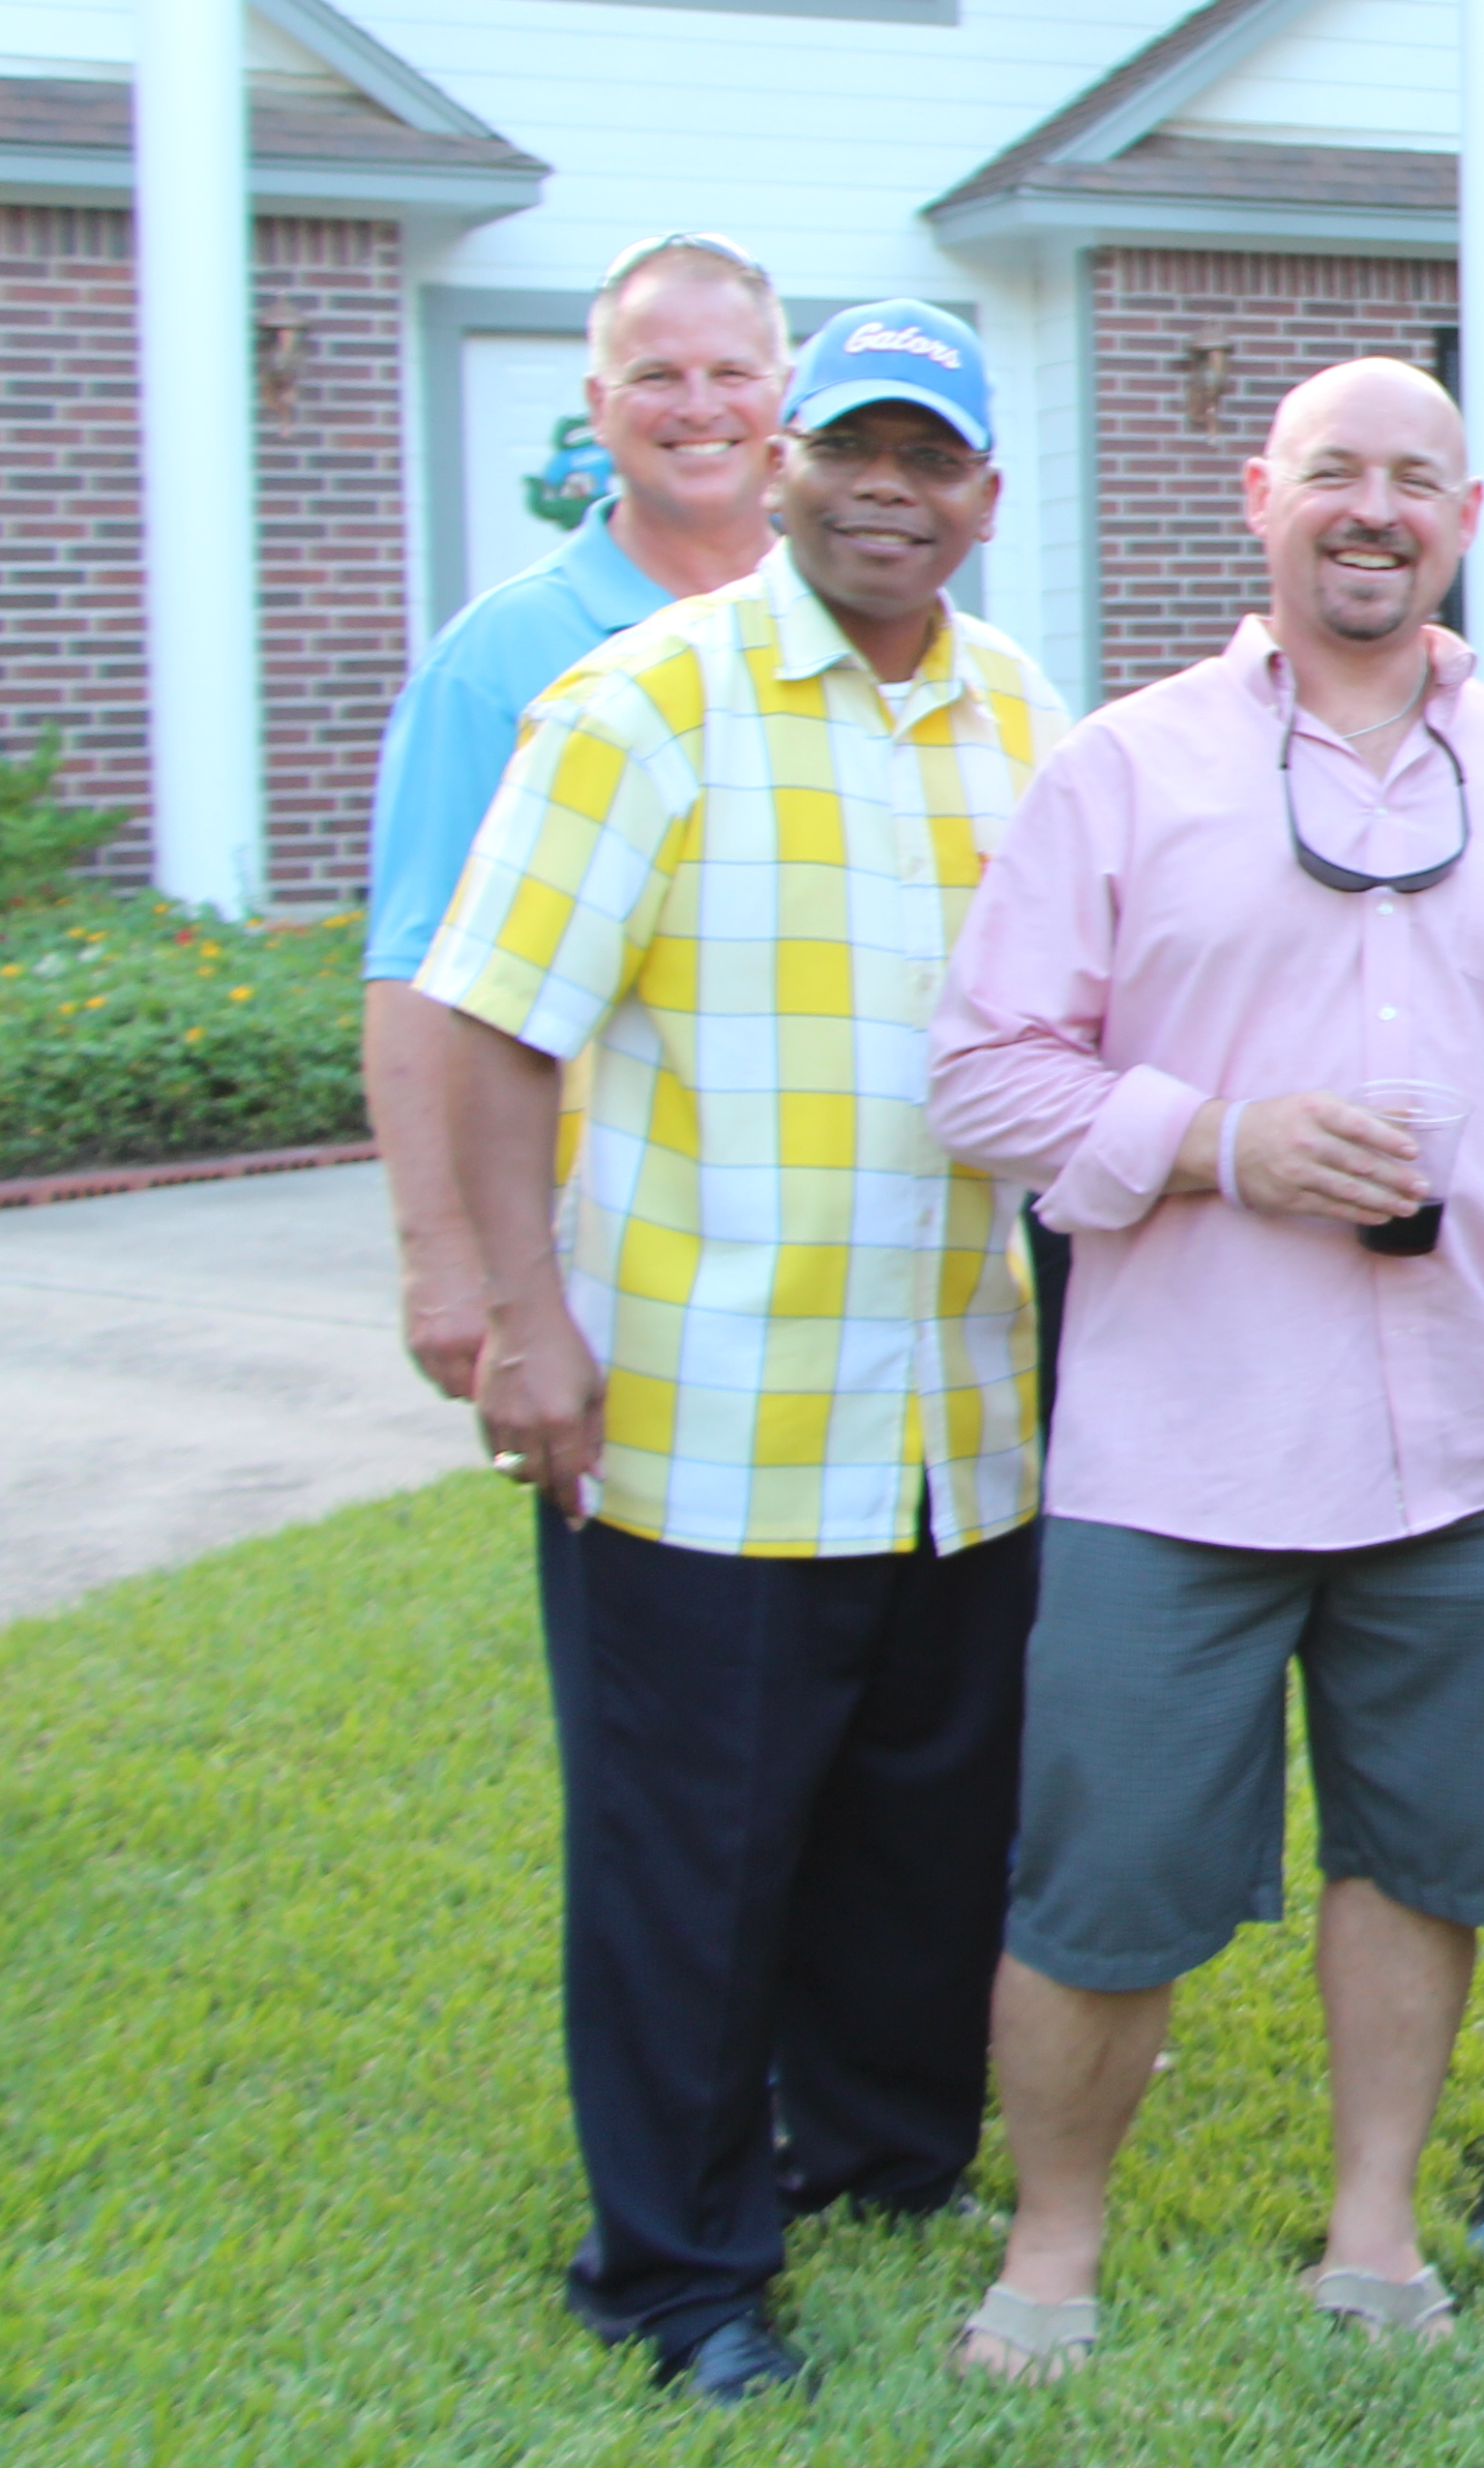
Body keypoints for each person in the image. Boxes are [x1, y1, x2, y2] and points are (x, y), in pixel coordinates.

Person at [922, 358, 1484, 2370]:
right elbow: (983, 1066)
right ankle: (1052, 2250)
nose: (1371, 508)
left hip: (1475, 1442)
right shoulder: (1127, 767)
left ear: (1467, 518)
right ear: (1263, 498)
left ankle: (1373, 2237)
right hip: (1188, 1442)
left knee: (1425, 1854)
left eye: (1412, 479)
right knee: (1107, 1873)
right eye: (1333, 471)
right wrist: (1213, 1141)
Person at [411, 296, 1067, 2404]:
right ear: (785, 461)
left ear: (984, 492)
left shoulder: (1024, 720)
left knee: (920, 1828)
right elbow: (496, 1032)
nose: (891, 486)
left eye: (932, 455)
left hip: (964, 1414)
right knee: (691, 1865)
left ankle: (878, 2153)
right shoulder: (639, 705)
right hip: (704, 1414)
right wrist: (522, 1318)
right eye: (852, 446)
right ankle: (682, 2269)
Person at [363, 234, 785, 1401]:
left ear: (783, 398)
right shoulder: (496, 660)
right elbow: (415, 977)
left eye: (731, 374)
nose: (698, 408)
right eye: (656, 376)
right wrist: (447, 1265)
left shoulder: (852, 636)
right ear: (599, 408)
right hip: (597, 1263)